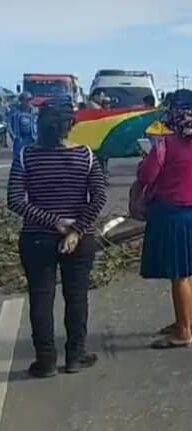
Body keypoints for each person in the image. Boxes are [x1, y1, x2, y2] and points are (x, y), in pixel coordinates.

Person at [6, 99, 107, 378]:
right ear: (71, 126)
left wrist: (53, 222)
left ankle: (46, 361)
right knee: (76, 298)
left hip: (37, 239)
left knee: (41, 298)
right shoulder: (86, 155)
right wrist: (75, 229)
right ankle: (75, 356)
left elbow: (14, 201)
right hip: (79, 239)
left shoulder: (26, 156)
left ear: (40, 125)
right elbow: (99, 197)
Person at [138, 90, 192, 349]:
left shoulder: (164, 145)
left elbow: (148, 176)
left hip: (173, 215)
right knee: (188, 272)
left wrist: (139, 193)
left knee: (178, 274)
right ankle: (188, 321)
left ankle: (184, 331)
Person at [9, 92, 38, 167]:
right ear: (21, 101)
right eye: (27, 100)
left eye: (30, 99)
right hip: (22, 139)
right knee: (18, 161)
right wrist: (14, 136)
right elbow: (10, 125)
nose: (29, 102)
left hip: (34, 139)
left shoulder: (35, 112)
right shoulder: (16, 113)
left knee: (33, 160)